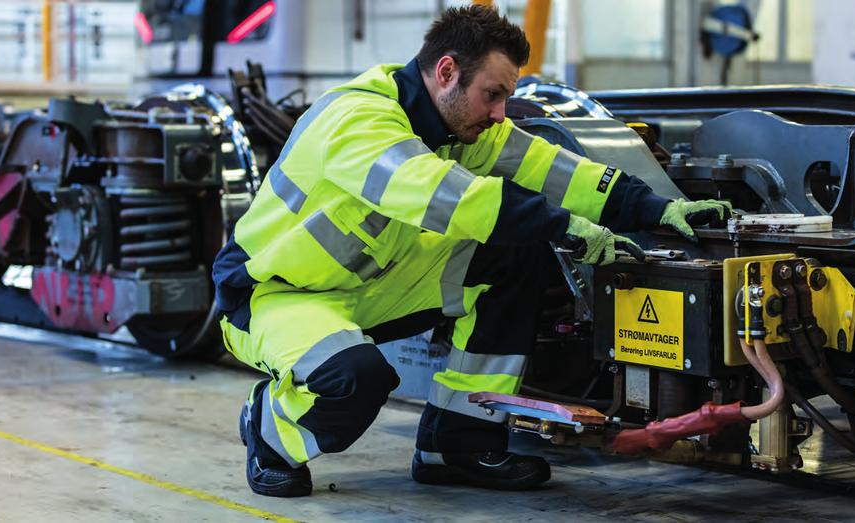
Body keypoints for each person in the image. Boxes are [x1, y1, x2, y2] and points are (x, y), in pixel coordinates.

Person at [212, 5, 730, 498]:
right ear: (446, 71)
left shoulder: (459, 126)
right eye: (493, 94)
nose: (500, 112)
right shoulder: (358, 120)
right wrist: (566, 229)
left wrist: (657, 209)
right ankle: (269, 434)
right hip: (275, 294)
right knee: (357, 381)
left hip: (370, 284)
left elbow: (559, 173)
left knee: (513, 257)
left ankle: (457, 445)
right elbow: (450, 198)